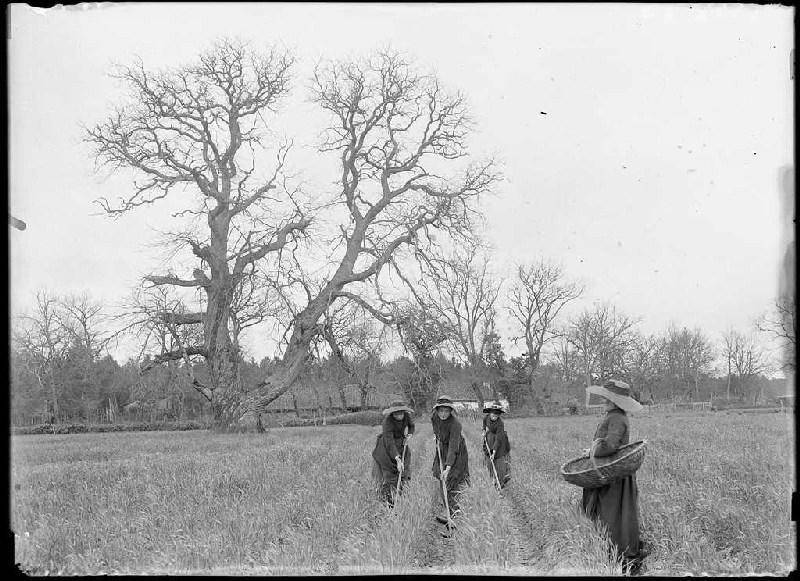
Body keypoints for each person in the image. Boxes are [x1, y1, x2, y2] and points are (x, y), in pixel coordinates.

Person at [581, 379, 647, 575]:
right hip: (610, 469)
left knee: (614, 514)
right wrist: (591, 450)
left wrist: (593, 449)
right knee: (612, 513)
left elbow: (610, 445)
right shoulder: (613, 415)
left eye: (607, 398)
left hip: (614, 474)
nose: (603, 401)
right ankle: (613, 552)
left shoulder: (617, 418)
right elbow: (607, 444)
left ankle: (621, 556)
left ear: (616, 401)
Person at [431, 395, 470, 530]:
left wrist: (448, 468)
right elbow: (437, 431)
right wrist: (437, 439)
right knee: (442, 480)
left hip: (456, 452)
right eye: (441, 410)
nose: (443, 414)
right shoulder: (434, 418)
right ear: (437, 411)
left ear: (450, 411)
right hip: (442, 449)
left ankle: (455, 518)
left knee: (452, 482)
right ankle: (448, 512)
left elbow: (453, 447)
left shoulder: (455, 424)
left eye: (446, 411)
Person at [371, 400, 415, 506]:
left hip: (401, 442)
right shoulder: (387, 422)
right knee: (389, 472)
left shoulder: (407, 416)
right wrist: (397, 459)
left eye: (401, 412)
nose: (399, 415)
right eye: (396, 413)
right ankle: (388, 500)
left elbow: (411, 426)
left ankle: (400, 495)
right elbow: (389, 442)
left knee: (404, 470)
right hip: (386, 446)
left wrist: (409, 435)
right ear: (392, 413)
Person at [482, 402, 511, 488]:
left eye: (497, 413)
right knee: (489, 460)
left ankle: (501, 482)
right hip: (489, 438)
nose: (495, 415)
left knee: (499, 460)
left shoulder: (500, 423)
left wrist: (494, 452)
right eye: (493, 413)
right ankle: (492, 479)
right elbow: (484, 423)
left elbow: (498, 439)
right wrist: (483, 431)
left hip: (500, 440)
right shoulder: (486, 418)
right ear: (490, 412)